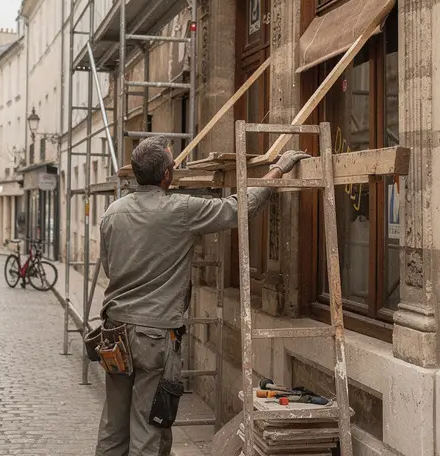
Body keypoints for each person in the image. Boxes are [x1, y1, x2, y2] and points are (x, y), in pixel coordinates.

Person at [93, 136, 310, 456]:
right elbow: (238, 208)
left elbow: (110, 269)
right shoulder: (179, 209)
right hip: (153, 335)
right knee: (148, 430)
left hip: (114, 334)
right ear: (166, 175)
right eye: (173, 165)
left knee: (113, 427)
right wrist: (277, 170)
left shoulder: (113, 212)